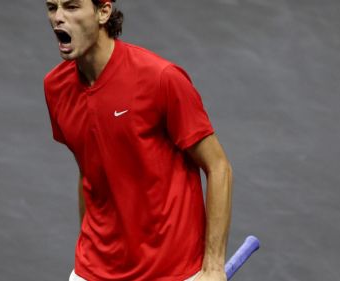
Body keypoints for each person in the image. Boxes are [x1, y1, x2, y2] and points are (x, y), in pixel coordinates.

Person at [43, 0, 233, 280]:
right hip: (94, 269)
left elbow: (219, 168)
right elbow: (89, 170)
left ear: (103, 12)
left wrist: (214, 267)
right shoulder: (56, 88)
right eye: (52, 7)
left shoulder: (160, 79)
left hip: (171, 271)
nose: (58, 17)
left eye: (71, 7)